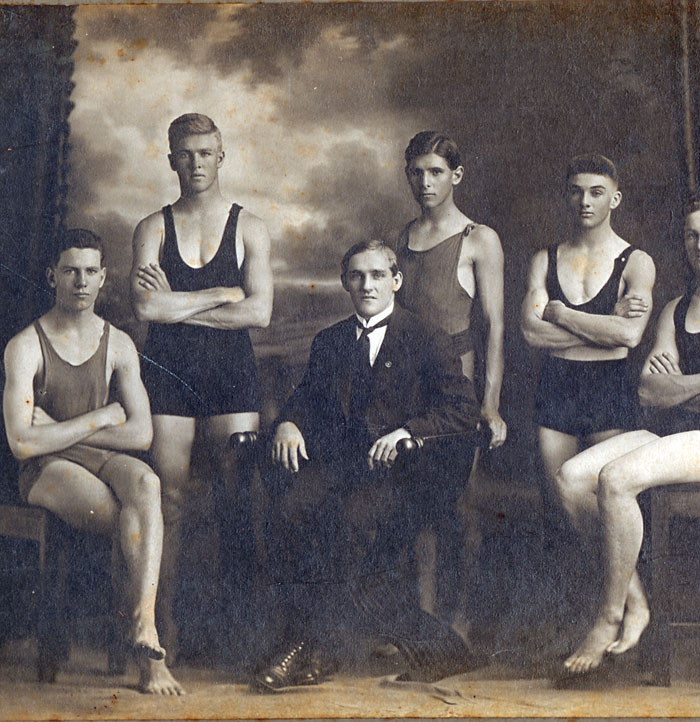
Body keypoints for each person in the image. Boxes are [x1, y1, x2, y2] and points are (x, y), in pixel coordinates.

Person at [554, 193, 700, 676]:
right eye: (691, 235)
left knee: (616, 479)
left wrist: (688, 385)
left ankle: (608, 616)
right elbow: (648, 392)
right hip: (677, 432)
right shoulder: (677, 308)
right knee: (573, 476)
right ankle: (636, 601)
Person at [252, 240, 482, 693]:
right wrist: (289, 424)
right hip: (343, 468)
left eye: (377, 275)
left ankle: (310, 649)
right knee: (288, 511)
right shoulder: (331, 340)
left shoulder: (425, 337)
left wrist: (408, 432)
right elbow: (305, 400)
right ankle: (316, 647)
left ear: (396, 280)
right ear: (345, 283)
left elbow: (462, 409)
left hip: (407, 474)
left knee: (348, 527)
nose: (367, 285)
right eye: (357, 276)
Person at [2, 229, 183, 695]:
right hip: (45, 472)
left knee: (146, 484)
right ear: (52, 276)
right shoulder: (25, 346)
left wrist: (55, 432)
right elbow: (21, 445)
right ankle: (150, 660)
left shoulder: (119, 343)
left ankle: (144, 626)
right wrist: (101, 416)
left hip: (95, 457)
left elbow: (141, 434)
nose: (80, 281)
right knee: (133, 524)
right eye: (69, 271)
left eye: (89, 272)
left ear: (103, 278)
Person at [131, 113, 273, 663]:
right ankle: (161, 626)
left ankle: (238, 636)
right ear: (171, 159)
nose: (196, 163)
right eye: (185, 154)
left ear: (222, 156)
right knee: (168, 501)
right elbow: (146, 307)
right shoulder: (151, 228)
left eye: (206, 153)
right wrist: (221, 292)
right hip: (167, 374)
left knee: (239, 498)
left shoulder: (250, 227)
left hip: (231, 377)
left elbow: (259, 312)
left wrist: (178, 305)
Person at [389, 131, 506, 632]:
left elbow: (495, 327)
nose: (425, 182)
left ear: (456, 176)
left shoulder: (479, 238)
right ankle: (421, 624)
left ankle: (458, 626)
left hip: (457, 382)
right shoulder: (403, 237)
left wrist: (491, 404)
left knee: (458, 503)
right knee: (410, 504)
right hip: (406, 386)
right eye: (416, 172)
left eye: (435, 172)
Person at [521, 153, 656, 492]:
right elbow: (530, 332)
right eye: (576, 191)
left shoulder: (636, 261)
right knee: (558, 501)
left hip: (609, 387)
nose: (585, 201)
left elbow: (629, 334)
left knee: (609, 498)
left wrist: (563, 315)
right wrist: (605, 328)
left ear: (615, 198)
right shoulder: (544, 260)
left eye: (596, 192)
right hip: (556, 385)